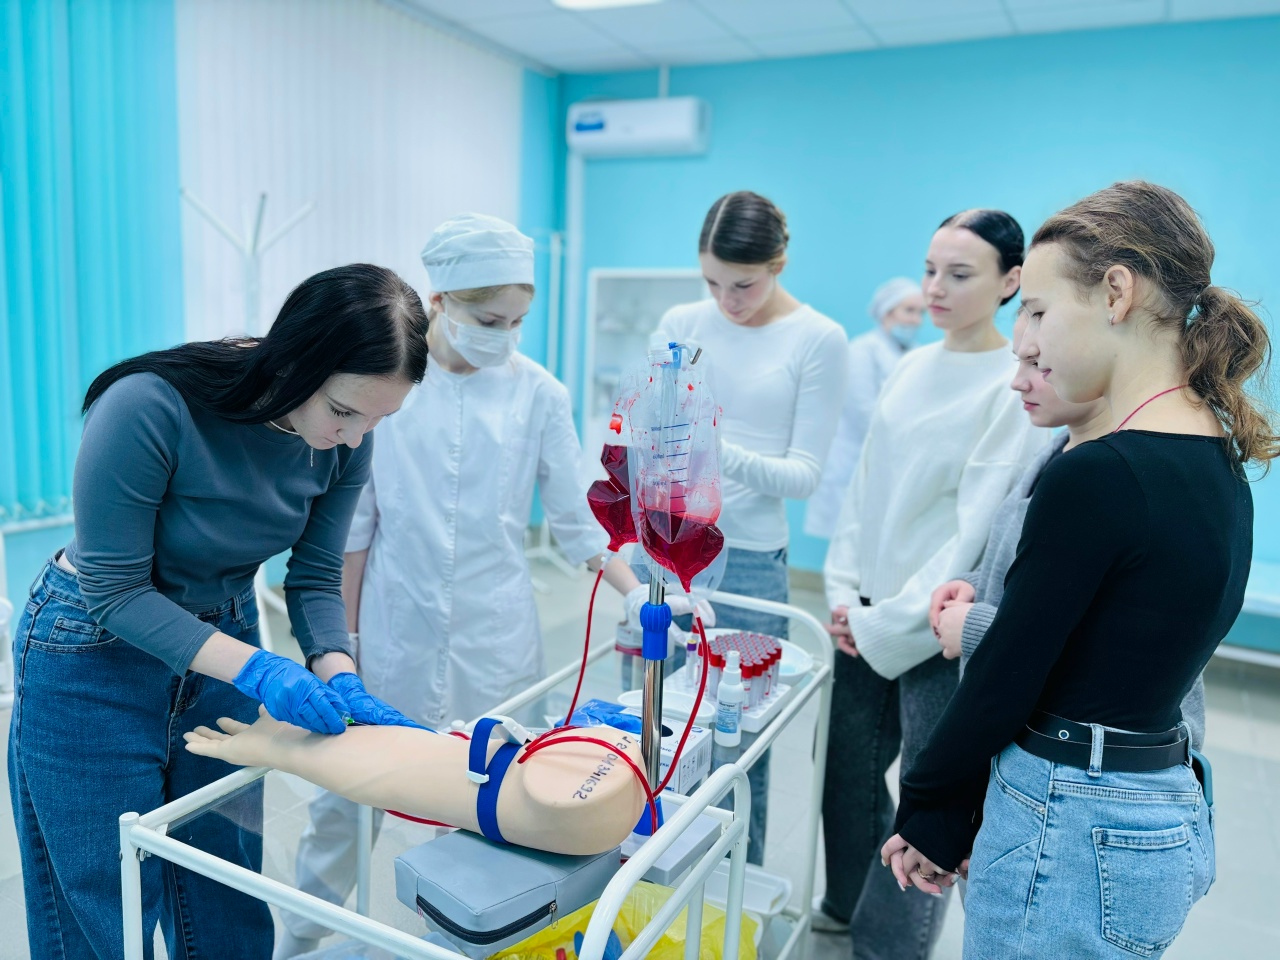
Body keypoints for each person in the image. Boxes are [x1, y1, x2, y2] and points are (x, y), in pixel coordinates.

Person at [278, 215, 708, 958]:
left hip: (495, 637)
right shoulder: (390, 391)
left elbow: (576, 522)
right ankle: (296, 942)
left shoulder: (539, 393)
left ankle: (462, 942)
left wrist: (634, 590)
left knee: (488, 810)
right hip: (394, 629)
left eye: (516, 322)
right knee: (345, 807)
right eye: (488, 320)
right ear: (440, 301)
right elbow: (353, 536)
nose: (503, 337)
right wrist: (342, 646)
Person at [883, 181, 1277, 959]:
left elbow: (1013, 667)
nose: (1023, 334)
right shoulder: (1216, 453)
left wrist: (931, 808)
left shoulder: (1099, 473)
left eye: (1035, 309)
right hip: (1157, 799)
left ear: (1117, 293)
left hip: (1072, 816)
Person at [7, 264, 428, 960]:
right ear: (294, 361)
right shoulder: (148, 405)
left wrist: (339, 671)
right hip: (94, 651)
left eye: (378, 419)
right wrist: (264, 672)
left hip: (224, 638)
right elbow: (116, 591)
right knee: (107, 907)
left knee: (225, 888)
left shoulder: (346, 438)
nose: (356, 437)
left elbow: (315, 575)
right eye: (344, 412)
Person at [818, 210, 1048, 954]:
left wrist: (886, 620)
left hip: (932, 631)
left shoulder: (1011, 387)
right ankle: (846, 906)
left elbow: (973, 532)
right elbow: (865, 489)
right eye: (929, 270)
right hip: (861, 613)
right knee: (846, 778)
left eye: (959, 274)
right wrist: (844, 593)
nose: (935, 289)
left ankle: (889, 946)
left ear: (1011, 282)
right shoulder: (912, 365)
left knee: (925, 802)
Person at [655, 190, 848, 865]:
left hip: (748, 560)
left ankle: (738, 888)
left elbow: (802, 476)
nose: (725, 301)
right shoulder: (682, 322)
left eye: (743, 285)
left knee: (736, 739)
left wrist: (713, 447)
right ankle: (654, 881)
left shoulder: (818, 339)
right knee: (656, 728)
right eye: (712, 282)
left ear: (779, 265)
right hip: (668, 550)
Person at [929, 318, 1207, 748]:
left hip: (1077, 758)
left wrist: (976, 628)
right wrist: (975, 584)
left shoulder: (1113, 480)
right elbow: (1039, 576)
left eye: (1038, 364)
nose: (1018, 382)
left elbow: (1108, 648)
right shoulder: (1058, 450)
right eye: (1019, 362)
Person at [804, 277, 924, 537]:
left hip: (897, 459)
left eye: (920, 313)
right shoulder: (862, 350)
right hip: (856, 458)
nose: (916, 320)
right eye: (909, 310)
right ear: (887, 312)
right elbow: (864, 412)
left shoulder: (917, 354)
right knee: (851, 538)